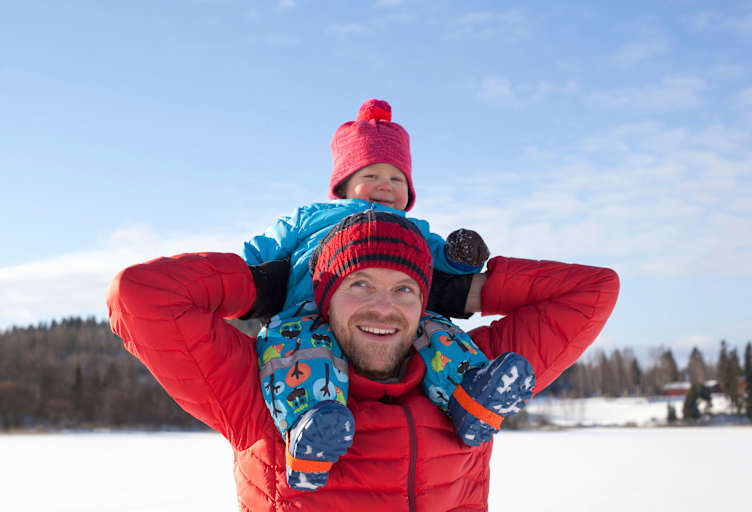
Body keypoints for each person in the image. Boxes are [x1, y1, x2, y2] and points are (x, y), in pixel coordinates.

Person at [106, 210, 620, 511]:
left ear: (425, 304)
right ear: (323, 300)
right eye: (359, 285)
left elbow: (593, 291)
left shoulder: (472, 374)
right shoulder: (260, 388)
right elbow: (140, 296)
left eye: (403, 289)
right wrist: (258, 285)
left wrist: (468, 289)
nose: (383, 306)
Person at [240, 98, 531, 489]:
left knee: (437, 333)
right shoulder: (312, 216)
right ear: (342, 184)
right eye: (372, 174)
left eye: (397, 179)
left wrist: (460, 256)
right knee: (298, 355)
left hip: (391, 314)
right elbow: (264, 248)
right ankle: (309, 434)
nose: (385, 185)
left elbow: (439, 259)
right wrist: (242, 275)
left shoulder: (412, 230)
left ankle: (470, 397)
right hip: (306, 314)